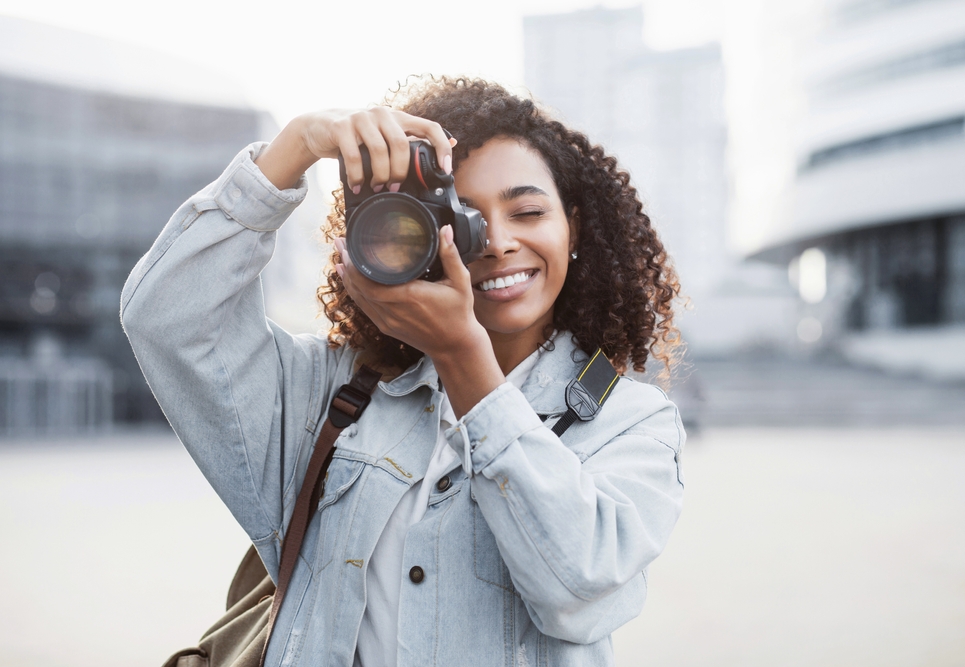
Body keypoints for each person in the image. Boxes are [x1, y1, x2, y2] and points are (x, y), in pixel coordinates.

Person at [122, 76, 685, 666]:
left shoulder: (632, 425)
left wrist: (464, 358)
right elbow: (167, 319)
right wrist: (296, 147)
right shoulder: (334, 397)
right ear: (404, 234)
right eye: (461, 216)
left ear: (573, 228)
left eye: (527, 211)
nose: (495, 242)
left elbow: (578, 591)